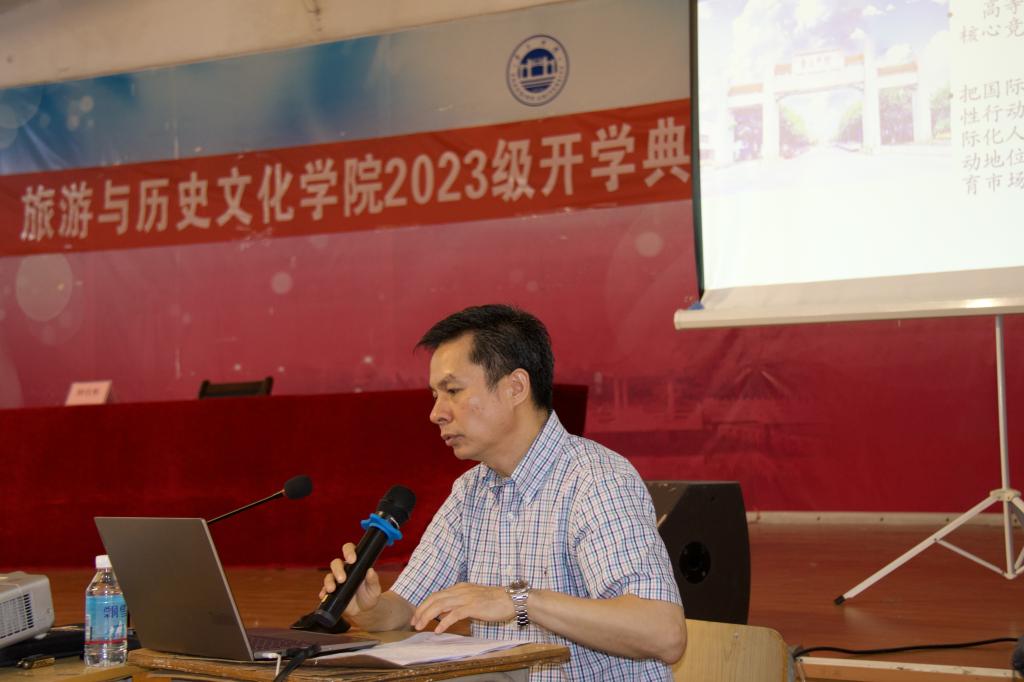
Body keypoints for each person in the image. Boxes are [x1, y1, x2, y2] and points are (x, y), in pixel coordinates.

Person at [321, 304, 686, 680]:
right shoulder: (471, 491)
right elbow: (406, 610)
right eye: (435, 395)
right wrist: (367, 607)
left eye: (453, 391)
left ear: (515, 388)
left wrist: (519, 600)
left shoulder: (596, 480)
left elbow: (664, 632)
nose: (436, 413)